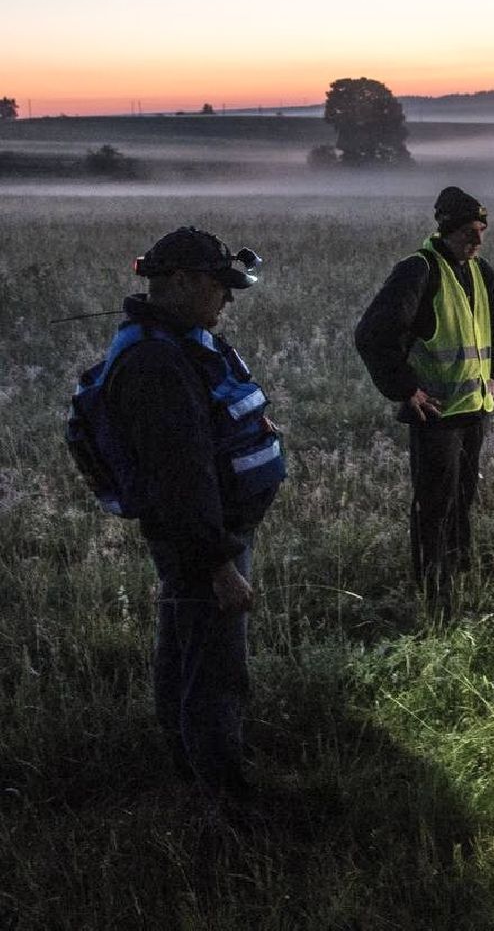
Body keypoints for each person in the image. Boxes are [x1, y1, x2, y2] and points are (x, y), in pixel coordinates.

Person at [86, 227, 285, 797]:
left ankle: (186, 768)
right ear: (180, 282)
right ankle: (225, 798)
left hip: (203, 535)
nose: (227, 298)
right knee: (217, 673)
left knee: (185, 652)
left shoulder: (173, 344)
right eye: (218, 286)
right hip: (203, 539)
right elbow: (179, 481)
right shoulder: (156, 365)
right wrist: (218, 563)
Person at [355, 186, 494, 606]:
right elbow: (373, 335)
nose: (476, 240)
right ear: (445, 231)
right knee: (434, 506)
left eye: (481, 231)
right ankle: (432, 592)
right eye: (467, 232)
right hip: (435, 415)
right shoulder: (417, 270)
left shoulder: (482, 273)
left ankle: (459, 575)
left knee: (462, 499)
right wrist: (406, 390)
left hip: (474, 411)